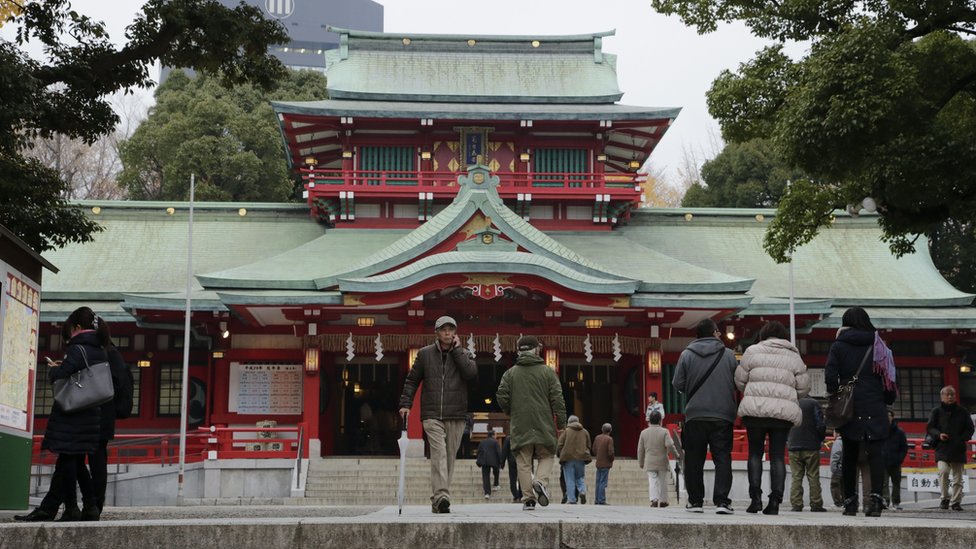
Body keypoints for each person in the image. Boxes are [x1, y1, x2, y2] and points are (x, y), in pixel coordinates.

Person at [15, 306, 106, 522]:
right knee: (73, 460)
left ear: (77, 327)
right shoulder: (99, 348)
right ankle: (86, 506)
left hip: (73, 415)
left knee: (67, 459)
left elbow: (64, 373)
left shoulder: (78, 348)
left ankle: (59, 508)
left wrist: (55, 369)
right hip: (90, 413)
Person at [398, 315, 477, 514]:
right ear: (437, 333)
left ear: (456, 332)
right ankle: (442, 494)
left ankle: (438, 500)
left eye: (451, 329)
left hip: (456, 414)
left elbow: (471, 374)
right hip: (432, 413)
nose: (448, 333)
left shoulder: (465, 353)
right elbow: (412, 380)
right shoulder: (425, 354)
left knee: (449, 457)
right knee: (439, 453)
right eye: (444, 329)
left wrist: (458, 351)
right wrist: (406, 403)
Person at [825, 307, 897, 517]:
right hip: (874, 403)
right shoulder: (879, 344)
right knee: (876, 454)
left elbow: (830, 375)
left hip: (850, 405)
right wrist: (886, 399)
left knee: (849, 453)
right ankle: (875, 501)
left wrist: (837, 394)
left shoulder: (838, 345)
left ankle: (850, 503)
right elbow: (890, 375)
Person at [735, 320, 810, 515]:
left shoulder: (752, 351)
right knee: (777, 456)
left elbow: (740, 380)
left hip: (755, 410)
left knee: (754, 454)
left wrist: (755, 391)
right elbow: (803, 387)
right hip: (782, 413)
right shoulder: (794, 356)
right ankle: (775, 501)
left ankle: (755, 499)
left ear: (764, 334)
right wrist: (786, 395)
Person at [672, 318, 738, 514]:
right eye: (718, 332)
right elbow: (736, 382)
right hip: (723, 415)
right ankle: (722, 502)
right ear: (715, 332)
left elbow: (678, 383)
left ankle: (695, 501)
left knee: (694, 459)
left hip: (695, 414)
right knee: (723, 458)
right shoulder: (728, 355)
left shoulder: (686, 355)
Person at [496, 335, 567, 511]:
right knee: (547, 455)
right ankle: (540, 481)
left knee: (523, 460)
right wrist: (561, 424)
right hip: (544, 422)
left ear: (519, 351)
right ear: (536, 350)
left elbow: (501, 396)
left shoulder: (510, 373)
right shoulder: (548, 372)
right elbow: (558, 399)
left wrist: (510, 411)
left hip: (520, 423)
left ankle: (528, 499)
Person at [926, 385, 975, 511]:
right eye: (947, 394)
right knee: (943, 472)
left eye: (952, 394)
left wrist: (962, 438)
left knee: (958, 477)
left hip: (958, 448)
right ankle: (944, 498)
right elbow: (930, 427)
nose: (950, 397)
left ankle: (956, 502)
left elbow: (970, 428)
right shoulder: (936, 411)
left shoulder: (963, 411)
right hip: (942, 448)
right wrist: (939, 434)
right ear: (942, 397)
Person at [788, 396, 827, 512]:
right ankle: (816, 504)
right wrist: (820, 438)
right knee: (813, 475)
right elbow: (820, 424)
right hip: (811, 445)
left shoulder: (791, 402)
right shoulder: (813, 403)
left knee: (796, 476)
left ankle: (796, 504)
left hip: (794, 444)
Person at [638, 411, 680, 508]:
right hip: (662, 460)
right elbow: (669, 444)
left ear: (650, 420)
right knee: (663, 481)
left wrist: (641, 462)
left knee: (652, 481)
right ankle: (664, 501)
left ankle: (654, 500)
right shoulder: (664, 431)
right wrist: (676, 454)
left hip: (650, 461)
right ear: (660, 420)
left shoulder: (644, 432)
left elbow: (640, 449)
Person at [558, 415, 592, 504]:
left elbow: (560, 444)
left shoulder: (566, 431)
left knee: (570, 479)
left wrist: (562, 452)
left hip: (568, 458)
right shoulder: (584, 431)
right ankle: (582, 491)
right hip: (581, 458)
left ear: (569, 422)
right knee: (580, 477)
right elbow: (589, 445)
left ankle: (572, 499)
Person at [881, 409, 908, 511]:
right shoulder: (879, 430)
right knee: (884, 483)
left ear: (892, 417)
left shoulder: (899, 432)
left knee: (896, 483)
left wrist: (899, 459)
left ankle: (896, 502)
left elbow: (904, 448)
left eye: (889, 415)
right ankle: (885, 501)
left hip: (896, 462)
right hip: (883, 461)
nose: (887, 417)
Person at [591, 423, 614, 505]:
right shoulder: (609, 439)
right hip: (606, 463)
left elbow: (593, 449)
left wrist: (598, 455)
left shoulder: (597, 438)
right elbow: (610, 452)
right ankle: (601, 499)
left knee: (598, 482)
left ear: (602, 429)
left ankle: (597, 499)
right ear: (610, 430)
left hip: (598, 462)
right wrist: (612, 459)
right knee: (603, 482)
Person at [476, 431, 502, 498]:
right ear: (493, 435)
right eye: (495, 434)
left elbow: (478, 451)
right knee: (496, 471)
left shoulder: (482, 442)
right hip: (494, 461)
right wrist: (501, 462)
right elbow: (498, 452)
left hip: (484, 461)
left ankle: (487, 493)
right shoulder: (495, 442)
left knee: (485, 477)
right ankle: (496, 484)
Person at [501, 435, 522, 502]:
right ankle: (521, 495)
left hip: (511, 460)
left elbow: (505, 450)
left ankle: (515, 495)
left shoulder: (509, 438)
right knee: (522, 478)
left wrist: (502, 462)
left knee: (512, 479)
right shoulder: (522, 437)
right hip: (521, 460)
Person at [828, 437, 844, 507]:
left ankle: (838, 503)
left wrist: (833, 468)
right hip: (848, 467)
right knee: (845, 485)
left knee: (835, 485)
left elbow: (835, 455)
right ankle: (846, 501)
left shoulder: (838, 442)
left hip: (839, 467)